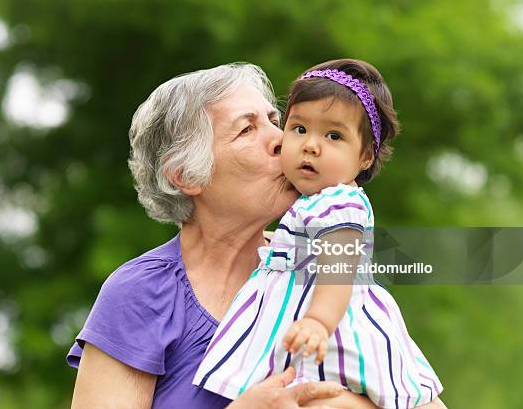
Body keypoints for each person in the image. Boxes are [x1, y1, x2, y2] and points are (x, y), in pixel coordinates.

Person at [67, 63, 378, 408]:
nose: (284, 140)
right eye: (247, 130)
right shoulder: (141, 293)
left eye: (275, 122)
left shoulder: (319, 259)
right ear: (185, 175)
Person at [193, 59, 446, 409]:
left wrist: (317, 321)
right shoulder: (312, 203)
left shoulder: (340, 202)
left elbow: (338, 270)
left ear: (365, 156)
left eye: (333, 136)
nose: (311, 145)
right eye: (298, 129)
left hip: (335, 333)